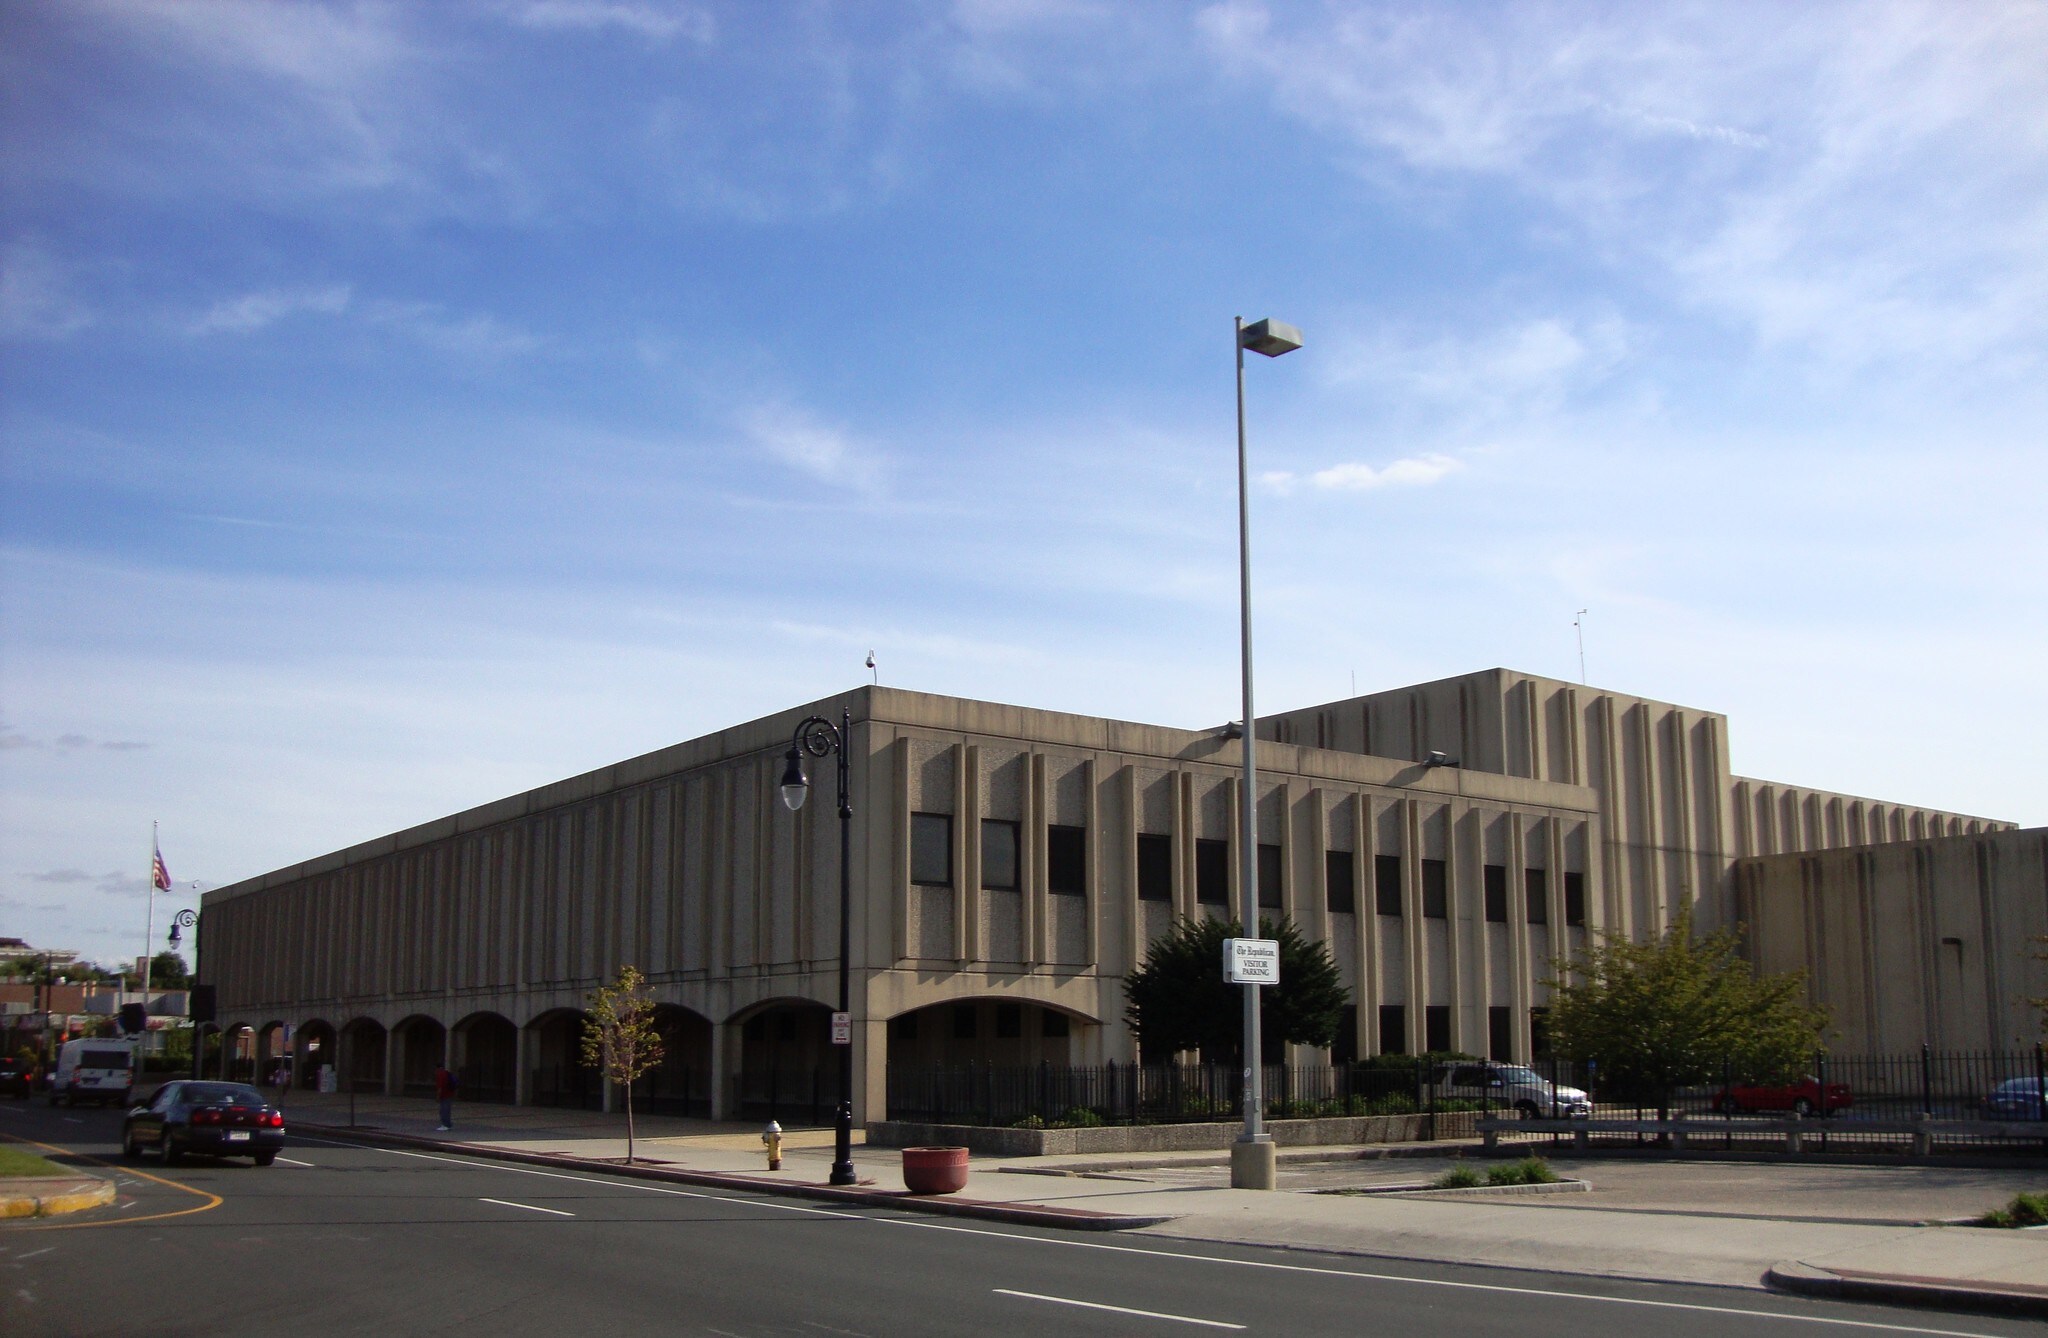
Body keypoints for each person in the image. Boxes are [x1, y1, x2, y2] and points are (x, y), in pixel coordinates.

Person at [434, 1064, 456, 1131]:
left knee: (443, 1110)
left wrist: (437, 1096)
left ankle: (445, 1125)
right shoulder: (447, 1073)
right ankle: (448, 1124)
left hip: (444, 1095)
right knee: (447, 1110)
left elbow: (440, 1087)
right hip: (449, 1093)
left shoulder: (440, 1074)